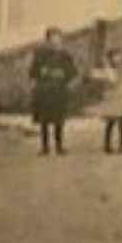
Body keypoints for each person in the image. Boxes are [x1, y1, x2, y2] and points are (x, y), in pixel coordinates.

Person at [28, 27, 78, 156]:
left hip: (59, 91)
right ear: (47, 40)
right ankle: (45, 148)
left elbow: (72, 72)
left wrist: (66, 80)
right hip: (44, 91)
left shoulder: (65, 55)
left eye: (57, 37)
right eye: (52, 38)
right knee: (44, 121)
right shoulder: (40, 55)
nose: (55, 41)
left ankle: (59, 147)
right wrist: (35, 84)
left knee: (58, 120)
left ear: (61, 39)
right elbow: (33, 72)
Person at [89, 47, 122, 154]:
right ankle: (107, 145)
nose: (117, 59)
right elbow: (94, 75)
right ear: (110, 59)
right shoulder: (107, 71)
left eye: (119, 56)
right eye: (114, 57)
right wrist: (104, 66)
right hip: (111, 99)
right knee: (110, 123)